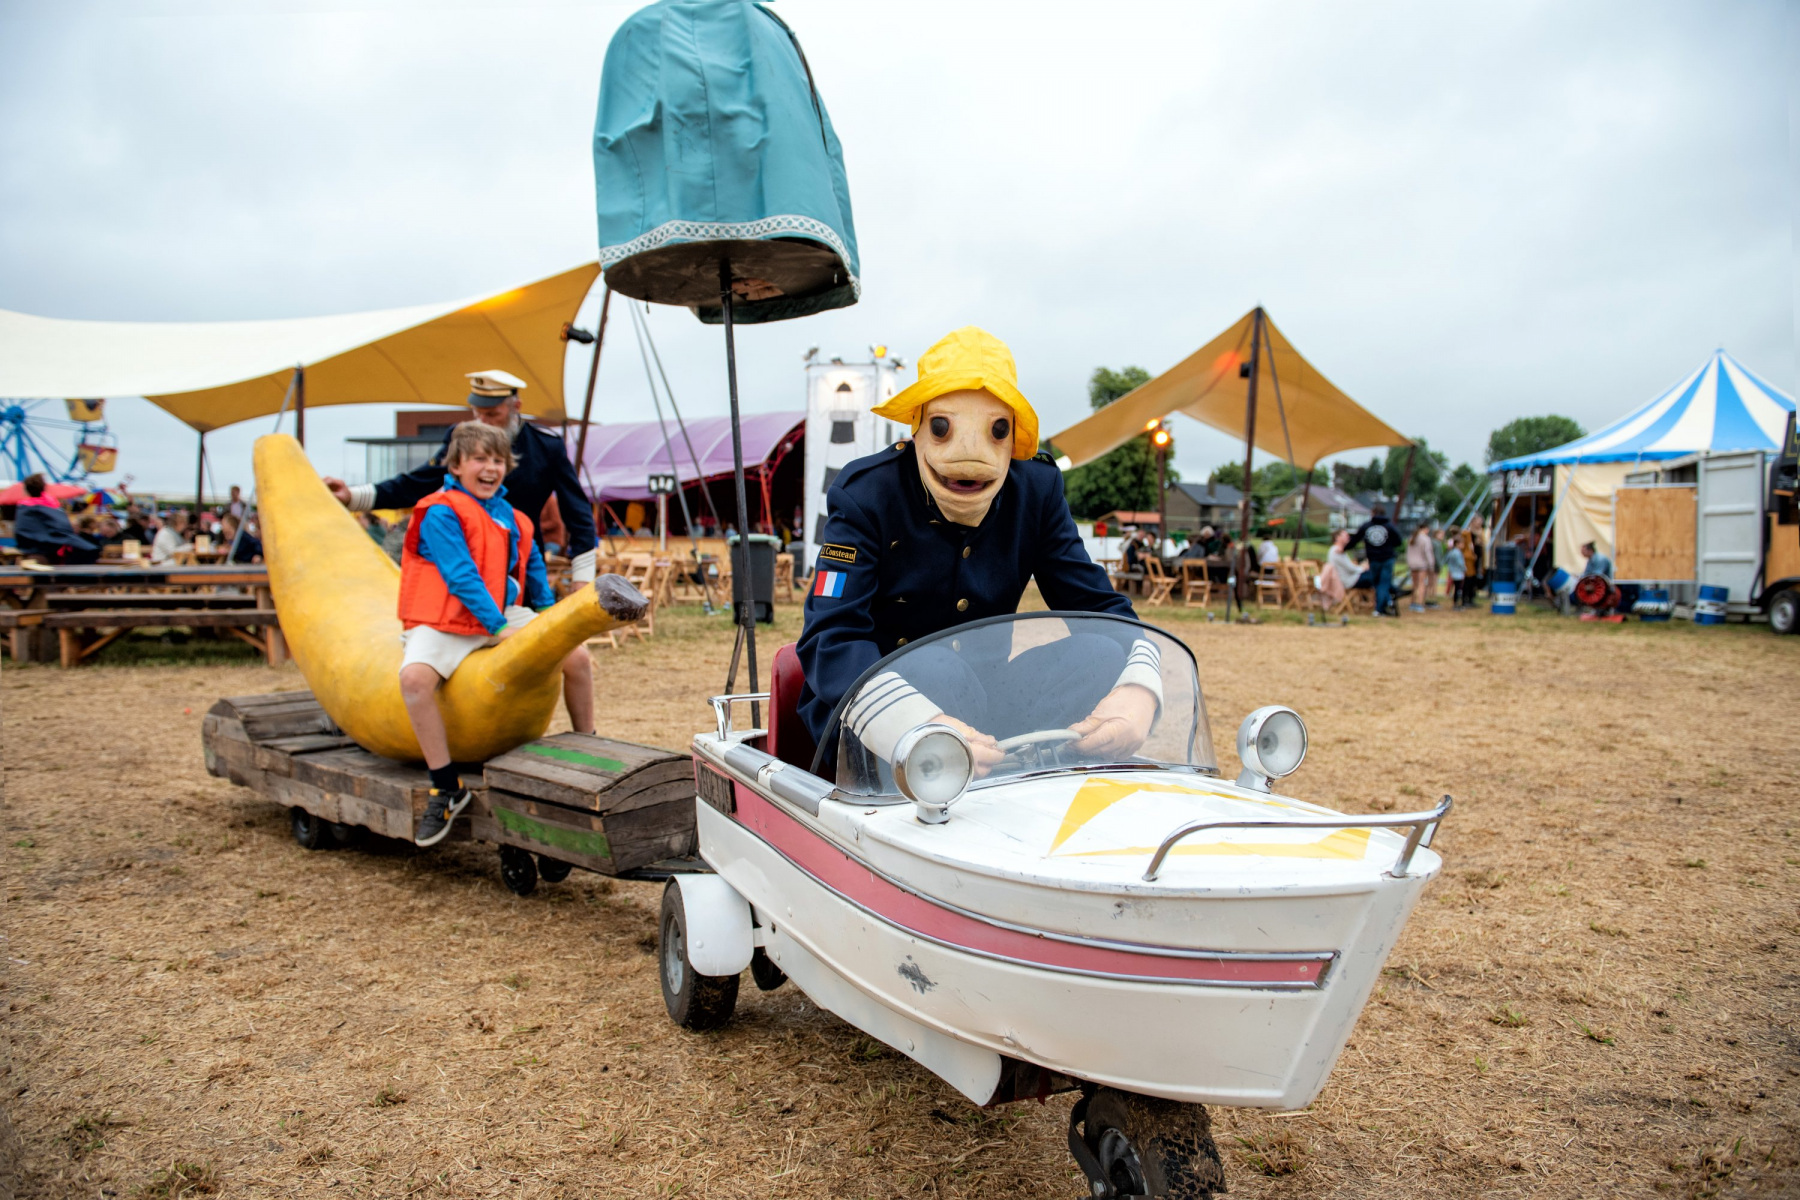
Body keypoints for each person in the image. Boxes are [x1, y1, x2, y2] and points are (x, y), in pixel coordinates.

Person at [798, 327, 1159, 775]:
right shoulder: (868, 493)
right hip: (876, 711)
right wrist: (911, 722)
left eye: (997, 431)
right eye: (942, 428)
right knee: (935, 667)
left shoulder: (1035, 490)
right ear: (918, 425)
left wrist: (1140, 688)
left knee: (1100, 652)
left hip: (984, 705)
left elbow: (1097, 604)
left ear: (1013, 434)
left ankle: (1033, 770)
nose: (969, 456)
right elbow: (831, 635)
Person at [323, 369, 598, 723]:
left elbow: (578, 512)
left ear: (515, 406)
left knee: (543, 660)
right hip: (465, 580)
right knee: (459, 667)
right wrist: (354, 496)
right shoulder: (461, 439)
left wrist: (582, 576)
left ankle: (547, 730)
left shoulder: (547, 446)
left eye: (492, 413)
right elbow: (418, 482)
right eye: (478, 412)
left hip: (519, 575)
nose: (482, 420)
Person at [398, 423, 595, 847]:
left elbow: (535, 575)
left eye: (498, 460)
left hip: (501, 615)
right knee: (414, 681)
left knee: (577, 658)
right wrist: (500, 629)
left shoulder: (515, 517)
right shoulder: (440, 511)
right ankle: (446, 786)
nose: (490, 468)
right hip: (448, 620)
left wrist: (554, 622)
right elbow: (461, 576)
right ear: (456, 465)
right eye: (479, 459)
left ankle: (590, 750)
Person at [12, 475, 102, 565]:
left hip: (35, 554)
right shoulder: (53, 505)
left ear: (26, 489)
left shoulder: (24, 508)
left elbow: (21, 531)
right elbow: (64, 528)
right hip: (58, 552)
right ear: (44, 487)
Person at [1346, 504, 1401, 615]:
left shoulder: (1367, 526)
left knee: (1377, 583)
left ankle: (1381, 607)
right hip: (1387, 558)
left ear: (1373, 513)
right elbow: (1398, 541)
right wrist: (1388, 545)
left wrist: (1344, 548)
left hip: (1374, 559)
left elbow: (1355, 539)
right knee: (1384, 583)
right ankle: (1383, 606)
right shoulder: (1389, 526)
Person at [1320, 529, 1362, 606]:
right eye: (1345, 535)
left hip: (1347, 578)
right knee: (1375, 577)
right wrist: (1363, 568)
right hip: (1347, 580)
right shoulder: (1337, 551)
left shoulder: (1335, 549)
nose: (1348, 537)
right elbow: (1350, 568)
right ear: (1337, 537)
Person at [1406, 523, 1435, 613]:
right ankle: (1419, 603)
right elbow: (1428, 552)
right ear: (1425, 529)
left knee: (1414, 584)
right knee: (1421, 584)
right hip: (1422, 564)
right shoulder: (1425, 539)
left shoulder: (1412, 538)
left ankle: (1412, 602)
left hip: (1412, 564)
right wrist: (1431, 564)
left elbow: (1408, 552)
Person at [1443, 527, 1468, 607]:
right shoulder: (1457, 553)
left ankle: (1455, 603)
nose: (1463, 545)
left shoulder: (1451, 552)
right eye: (1462, 544)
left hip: (1453, 572)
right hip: (1458, 573)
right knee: (1458, 589)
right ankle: (1456, 604)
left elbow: (1446, 560)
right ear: (1457, 544)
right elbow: (1460, 563)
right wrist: (1465, 569)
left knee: (1455, 588)